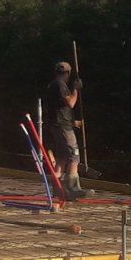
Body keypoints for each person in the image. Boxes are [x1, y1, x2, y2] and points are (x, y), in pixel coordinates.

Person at [44, 59, 84, 197]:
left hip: (58, 125)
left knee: (61, 157)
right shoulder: (60, 85)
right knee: (74, 156)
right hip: (62, 127)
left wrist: (72, 121)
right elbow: (71, 103)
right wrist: (76, 90)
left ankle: (57, 189)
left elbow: (58, 109)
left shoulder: (52, 85)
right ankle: (73, 189)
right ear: (67, 73)